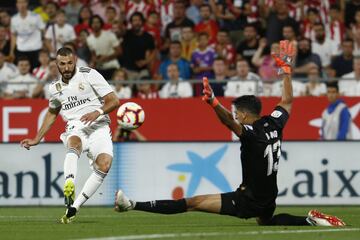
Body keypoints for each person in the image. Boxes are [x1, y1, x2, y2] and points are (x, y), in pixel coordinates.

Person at [114, 40, 345, 227]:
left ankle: (131, 204)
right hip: (268, 199)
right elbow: (287, 100)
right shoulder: (274, 123)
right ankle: (310, 220)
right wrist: (285, 69)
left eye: (237, 113)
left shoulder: (252, 133)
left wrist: (214, 102)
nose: (235, 116)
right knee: (268, 222)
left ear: (244, 115)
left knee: (192, 202)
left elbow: (228, 123)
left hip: (248, 201)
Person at [20, 47, 119, 224]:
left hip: (99, 126)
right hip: (76, 126)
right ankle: (69, 184)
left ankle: (74, 207)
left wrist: (97, 112)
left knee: (104, 165)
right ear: (57, 65)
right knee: (74, 142)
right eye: (62, 64)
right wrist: (37, 138)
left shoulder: (90, 74)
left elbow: (114, 100)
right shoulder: (55, 88)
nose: (66, 68)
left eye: (70, 63)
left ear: (75, 62)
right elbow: (52, 112)